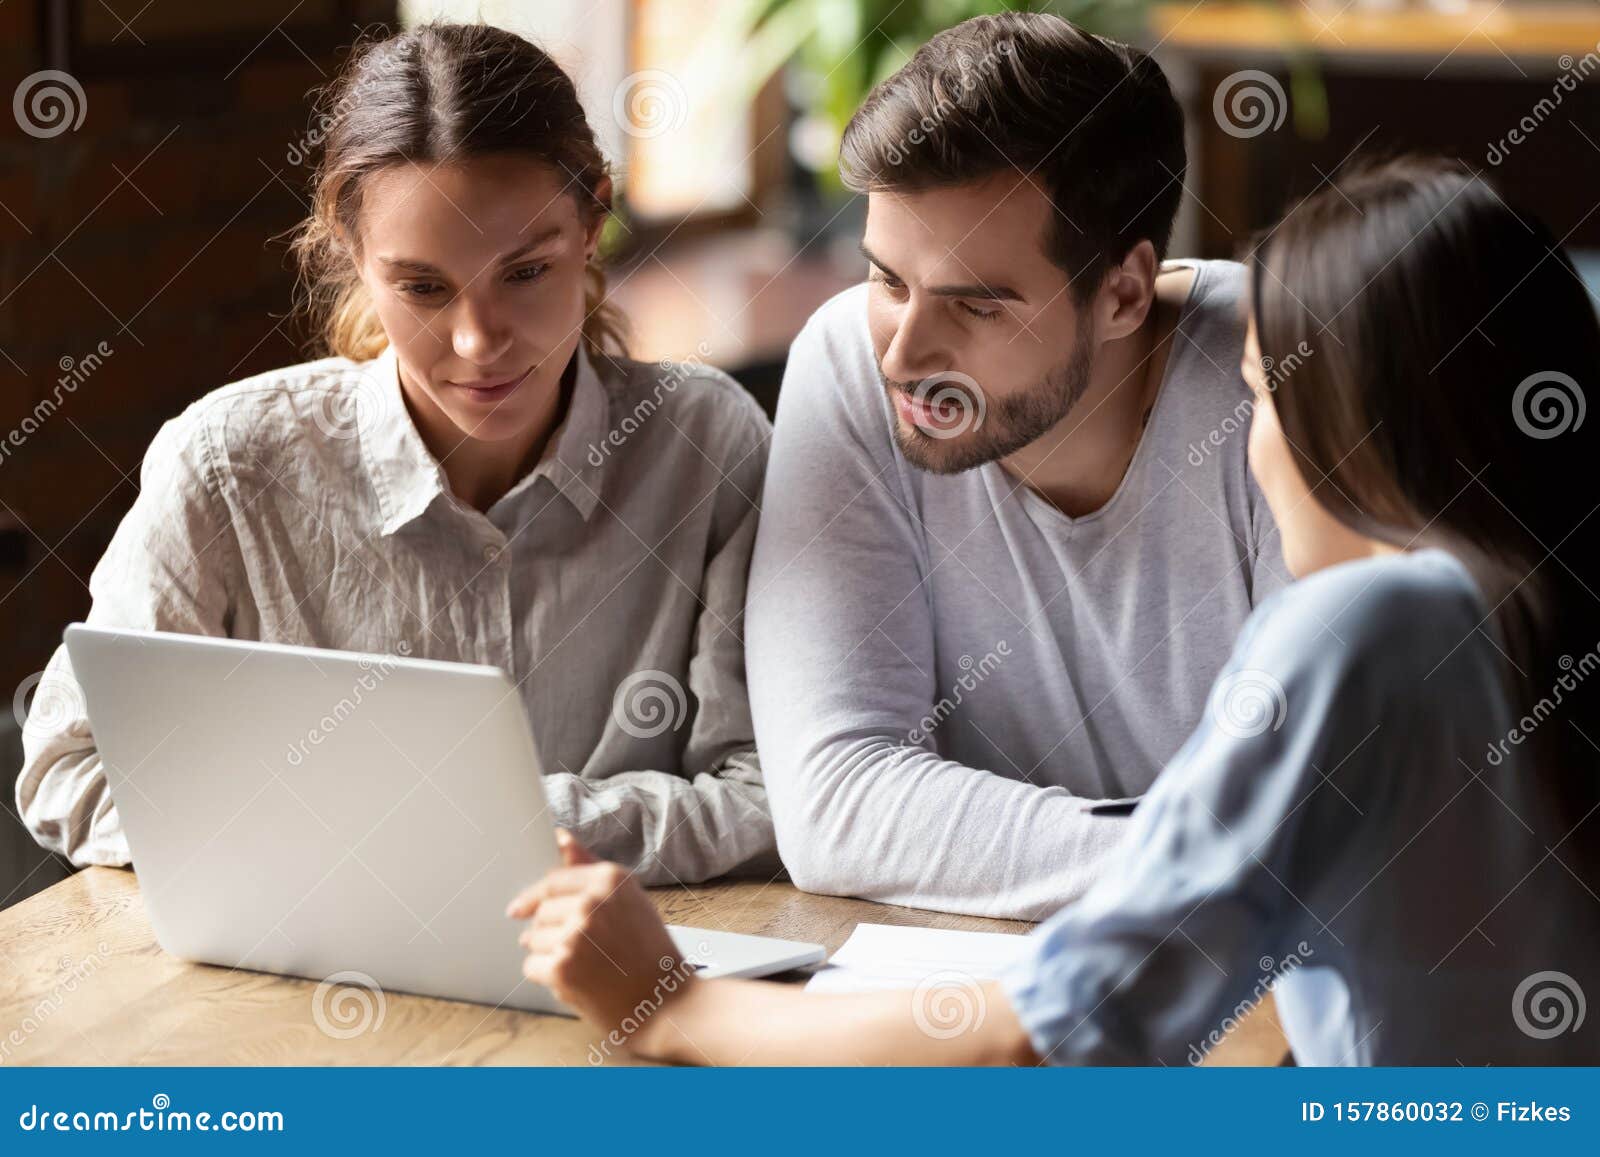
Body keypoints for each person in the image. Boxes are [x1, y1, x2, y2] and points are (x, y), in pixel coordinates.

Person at [508, 156, 1600, 1065]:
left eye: (1264, 394)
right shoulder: (1530, 609)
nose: (1253, 447)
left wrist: (678, 1003)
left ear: (1361, 427)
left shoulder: (1366, 625)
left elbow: (1060, 1027)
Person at [16, 23, 778, 885]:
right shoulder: (228, 465)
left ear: (594, 217)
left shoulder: (705, 444)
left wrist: (474, 826)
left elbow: (771, 789)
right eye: (422, 287)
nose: (478, 340)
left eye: (525, 272)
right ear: (352, 254)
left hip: (637, 988)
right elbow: (71, 768)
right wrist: (413, 838)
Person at [745, 11, 1287, 920]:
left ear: (1121, 292)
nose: (905, 353)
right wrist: (1203, 860)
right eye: (887, 279)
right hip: (983, 981)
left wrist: (1248, 864)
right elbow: (833, 800)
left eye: (975, 306)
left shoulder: (1281, 379)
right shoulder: (848, 361)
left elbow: (1324, 827)